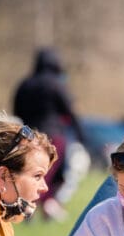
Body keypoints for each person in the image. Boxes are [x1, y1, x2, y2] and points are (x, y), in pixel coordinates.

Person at [12, 47, 86, 221]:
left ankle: (34, 207)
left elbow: (16, 110)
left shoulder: (25, 84)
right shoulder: (56, 84)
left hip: (28, 136)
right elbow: (70, 111)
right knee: (51, 174)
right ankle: (40, 206)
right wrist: (81, 135)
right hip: (54, 137)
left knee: (30, 172)